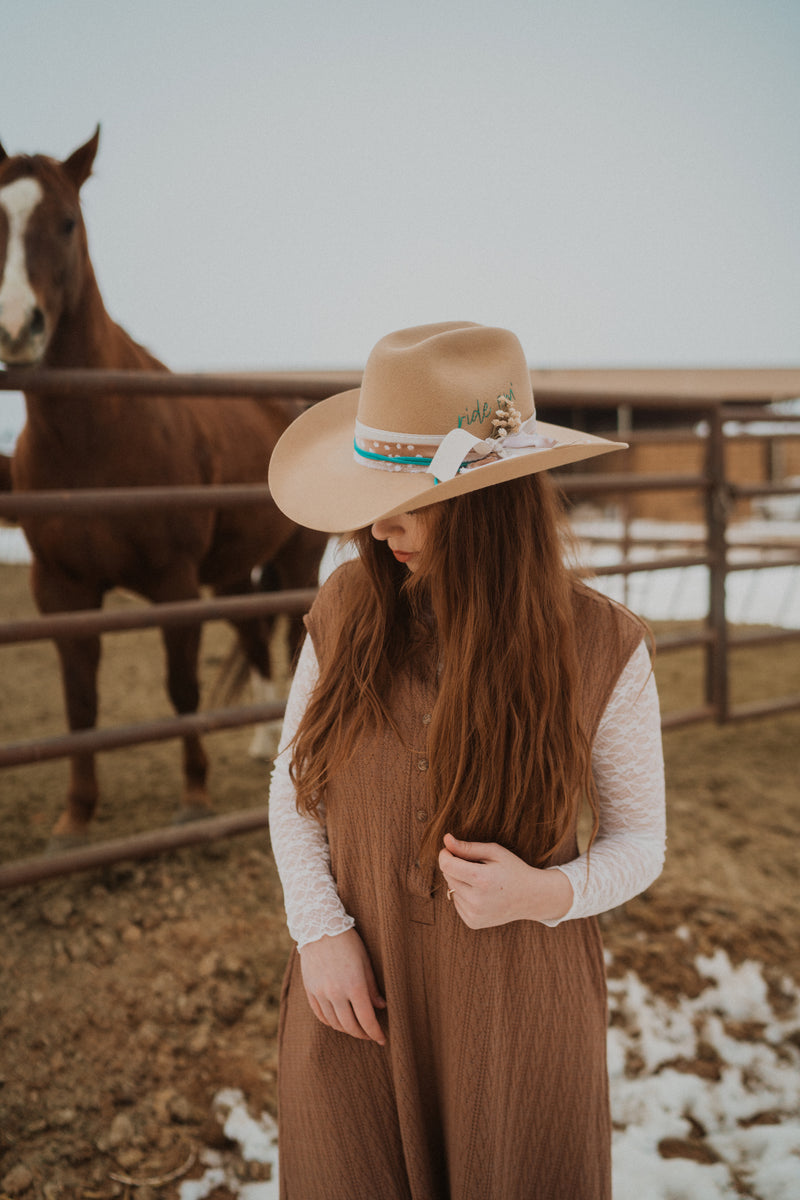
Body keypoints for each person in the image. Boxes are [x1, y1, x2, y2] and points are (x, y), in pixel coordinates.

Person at [267, 322, 666, 1199]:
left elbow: (642, 841)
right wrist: (321, 931)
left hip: (517, 1012)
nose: (381, 524)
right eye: (375, 491)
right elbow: (292, 789)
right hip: (355, 1001)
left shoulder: (601, 644)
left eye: (412, 495)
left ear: (491, 499)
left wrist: (546, 891)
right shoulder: (346, 610)